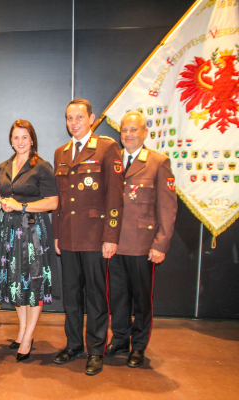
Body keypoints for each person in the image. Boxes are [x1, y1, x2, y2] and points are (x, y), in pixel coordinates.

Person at [52, 99, 124, 376]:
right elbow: (60, 199)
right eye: (70, 118)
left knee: (95, 295)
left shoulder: (106, 147)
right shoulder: (61, 152)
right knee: (71, 295)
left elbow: (115, 196)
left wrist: (111, 236)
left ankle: (96, 349)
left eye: (80, 117)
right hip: (68, 236)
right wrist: (57, 235)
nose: (74, 123)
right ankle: (73, 345)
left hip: (95, 237)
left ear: (92, 118)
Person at [105, 111, 177, 368]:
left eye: (134, 130)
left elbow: (168, 209)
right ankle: (121, 338)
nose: (129, 135)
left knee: (142, 299)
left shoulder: (158, 162)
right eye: (125, 130)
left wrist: (161, 244)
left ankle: (139, 346)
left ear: (145, 132)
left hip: (143, 245)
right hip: (114, 244)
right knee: (118, 297)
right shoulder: (113, 161)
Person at [0, 119, 59, 362]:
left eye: (24, 137)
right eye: (15, 137)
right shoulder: (3, 166)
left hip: (33, 231)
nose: (20, 141)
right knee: (15, 283)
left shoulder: (42, 167)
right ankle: (21, 330)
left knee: (34, 283)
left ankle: (30, 335)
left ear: (32, 139)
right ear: (11, 140)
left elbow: (52, 202)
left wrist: (21, 206)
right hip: (9, 231)